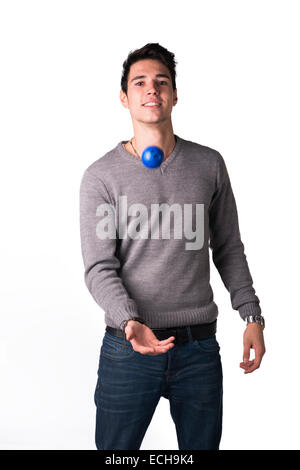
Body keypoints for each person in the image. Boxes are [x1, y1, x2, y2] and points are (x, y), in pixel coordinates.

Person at [79, 43, 266, 450]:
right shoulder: (101, 177)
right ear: (124, 97)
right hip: (128, 348)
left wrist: (251, 315)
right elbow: (98, 268)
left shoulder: (208, 164)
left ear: (175, 94)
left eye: (161, 82)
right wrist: (130, 321)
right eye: (140, 83)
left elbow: (229, 247)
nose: (152, 90)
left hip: (198, 348)